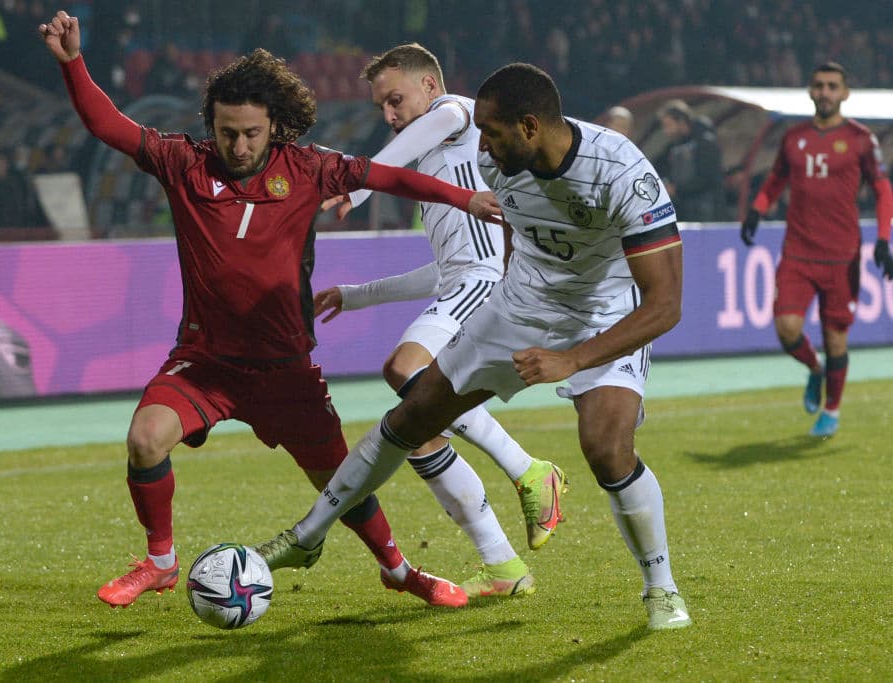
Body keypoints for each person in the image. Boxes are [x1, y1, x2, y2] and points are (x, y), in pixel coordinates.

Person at [38, 10, 503, 610]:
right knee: (145, 439)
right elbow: (109, 125)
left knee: (343, 483)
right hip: (205, 362)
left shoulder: (308, 167)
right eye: (227, 132)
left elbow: (391, 178)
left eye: (251, 133)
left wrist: (465, 197)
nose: (238, 145)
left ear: (275, 127)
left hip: (286, 371)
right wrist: (73, 62)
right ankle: (159, 562)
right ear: (212, 124)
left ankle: (398, 570)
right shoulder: (184, 163)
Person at [256, 62, 693, 631]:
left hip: (603, 312)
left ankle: (661, 589)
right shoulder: (498, 161)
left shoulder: (623, 172)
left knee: (606, 447)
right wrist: (509, 303)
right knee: (412, 413)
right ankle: (307, 536)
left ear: (531, 127)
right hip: (516, 307)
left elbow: (665, 305)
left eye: (491, 132)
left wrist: (572, 359)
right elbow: (513, 232)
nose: (480, 147)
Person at [315, 43, 566, 599]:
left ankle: (529, 469)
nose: (388, 114)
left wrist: (357, 184)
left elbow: (403, 148)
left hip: (487, 286)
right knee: (419, 429)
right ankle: (501, 564)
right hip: (465, 282)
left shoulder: (454, 113)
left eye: (395, 99)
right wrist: (356, 296)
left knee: (405, 368)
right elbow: (441, 271)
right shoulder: (439, 164)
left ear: (429, 86)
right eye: (381, 105)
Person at [740, 61, 893, 437]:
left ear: (844, 93)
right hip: (798, 252)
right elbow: (776, 179)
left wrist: (885, 238)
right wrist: (757, 210)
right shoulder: (793, 138)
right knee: (786, 328)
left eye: (832, 86)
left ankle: (832, 410)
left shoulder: (860, 139)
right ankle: (815, 369)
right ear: (810, 91)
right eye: (819, 85)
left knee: (835, 337)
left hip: (842, 257)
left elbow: (883, 189)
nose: (825, 92)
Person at [656, 99, 724, 221]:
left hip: (707, 211)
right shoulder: (674, 146)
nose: (666, 131)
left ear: (681, 122)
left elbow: (706, 178)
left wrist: (676, 189)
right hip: (685, 209)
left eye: (669, 125)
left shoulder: (705, 142)